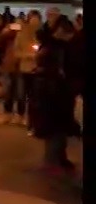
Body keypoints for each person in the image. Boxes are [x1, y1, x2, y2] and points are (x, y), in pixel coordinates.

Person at [30, 17, 79, 175]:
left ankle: (56, 160)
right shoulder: (58, 48)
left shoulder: (51, 46)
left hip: (51, 92)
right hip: (54, 93)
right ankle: (52, 163)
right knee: (55, 129)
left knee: (56, 129)